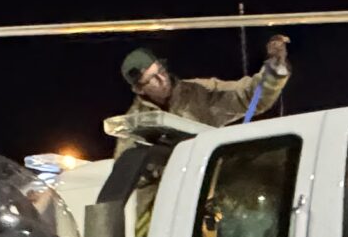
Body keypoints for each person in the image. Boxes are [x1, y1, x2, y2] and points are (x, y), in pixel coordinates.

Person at [108, 34, 292, 153]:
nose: (162, 79)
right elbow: (127, 172)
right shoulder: (135, 123)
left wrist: (275, 66)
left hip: (204, 188)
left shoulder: (199, 93)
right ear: (139, 89)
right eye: (152, 79)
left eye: (161, 71)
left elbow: (250, 97)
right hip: (164, 196)